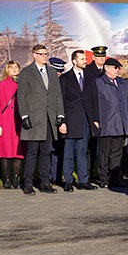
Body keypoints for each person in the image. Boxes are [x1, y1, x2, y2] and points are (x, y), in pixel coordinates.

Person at [17, 45, 66, 195]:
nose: (45, 56)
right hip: (33, 118)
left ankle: (45, 183)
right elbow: (21, 96)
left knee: (46, 152)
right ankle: (28, 184)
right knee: (32, 152)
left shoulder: (52, 72)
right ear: (34, 55)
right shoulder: (26, 72)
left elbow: (58, 95)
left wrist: (60, 115)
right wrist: (24, 116)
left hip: (49, 118)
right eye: (42, 54)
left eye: (46, 54)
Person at [59, 50, 99, 191]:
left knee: (83, 152)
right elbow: (61, 101)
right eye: (82, 59)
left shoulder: (90, 77)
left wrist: (95, 119)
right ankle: (68, 181)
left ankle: (83, 181)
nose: (85, 61)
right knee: (68, 153)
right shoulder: (65, 78)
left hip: (86, 121)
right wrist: (61, 121)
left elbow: (94, 99)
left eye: (85, 58)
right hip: (70, 121)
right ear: (74, 61)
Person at [95, 57, 128, 188]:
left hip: (120, 123)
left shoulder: (122, 83)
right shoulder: (99, 82)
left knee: (117, 154)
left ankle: (115, 177)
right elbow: (96, 103)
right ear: (106, 68)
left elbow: (127, 104)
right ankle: (103, 178)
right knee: (104, 153)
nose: (117, 70)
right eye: (114, 68)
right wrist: (97, 120)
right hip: (106, 123)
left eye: (118, 68)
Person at [0, 61, 25, 189]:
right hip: (6, 122)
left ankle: (16, 178)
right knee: (6, 151)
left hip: (19, 121)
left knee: (18, 151)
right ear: (7, 70)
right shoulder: (1, 85)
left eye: (16, 67)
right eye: (11, 68)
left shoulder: (23, 84)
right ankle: (6, 179)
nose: (14, 70)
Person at [85, 45, 107, 182]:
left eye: (103, 56)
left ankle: (103, 173)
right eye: (98, 56)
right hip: (93, 112)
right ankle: (88, 173)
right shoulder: (88, 71)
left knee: (105, 147)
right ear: (93, 57)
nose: (101, 59)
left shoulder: (108, 70)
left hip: (106, 113)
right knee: (90, 147)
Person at [48, 57, 66, 186]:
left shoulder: (64, 82)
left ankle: (57, 176)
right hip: (48, 120)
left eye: (60, 71)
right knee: (47, 150)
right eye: (56, 71)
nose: (58, 74)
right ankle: (48, 176)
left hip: (61, 120)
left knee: (59, 150)